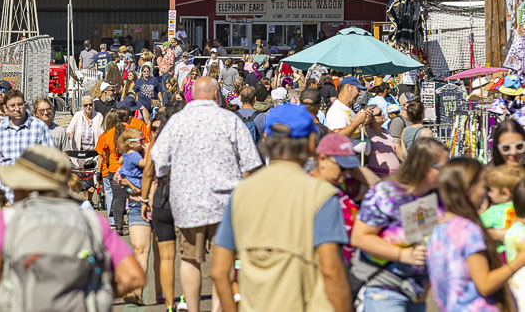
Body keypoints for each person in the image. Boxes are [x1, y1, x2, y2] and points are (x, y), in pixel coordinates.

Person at [211, 105, 351, 312]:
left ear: (266, 137)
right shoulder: (321, 194)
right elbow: (331, 270)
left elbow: (219, 272)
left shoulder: (241, 193)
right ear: (312, 143)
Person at [0, 146, 146, 309]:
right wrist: (94, 292)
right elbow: (134, 276)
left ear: (26, 187)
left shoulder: (8, 219)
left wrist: (10, 291)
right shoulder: (90, 221)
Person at [152, 77, 262, 312]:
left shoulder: (177, 122)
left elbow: (159, 161)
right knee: (223, 261)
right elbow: (251, 163)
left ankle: (193, 309)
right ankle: (217, 308)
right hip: (225, 203)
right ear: (216, 95)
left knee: (190, 259)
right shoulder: (229, 120)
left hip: (187, 203)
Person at [351, 137, 449, 312]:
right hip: (384, 288)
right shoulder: (386, 194)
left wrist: (426, 287)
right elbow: (360, 237)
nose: (447, 173)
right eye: (442, 168)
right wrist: (402, 254)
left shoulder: (438, 198)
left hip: (417, 292)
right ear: (424, 167)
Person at [427, 157, 525, 311]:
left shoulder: (440, 228)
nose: (486, 192)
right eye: (483, 186)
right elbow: (485, 284)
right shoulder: (468, 229)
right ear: (468, 188)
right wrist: (519, 261)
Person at [310, 133, 378, 263]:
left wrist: (352, 167)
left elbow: (375, 184)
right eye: (342, 167)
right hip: (327, 265)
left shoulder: (343, 183)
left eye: (349, 168)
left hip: (350, 263)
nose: (345, 173)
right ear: (322, 159)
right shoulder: (310, 187)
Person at [140, 107, 183, 310]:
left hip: (161, 199)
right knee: (188, 255)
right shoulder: (185, 143)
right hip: (184, 199)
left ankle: (168, 302)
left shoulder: (156, 146)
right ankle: (185, 298)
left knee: (166, 256)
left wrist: (143, 200)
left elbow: (148, 174)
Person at [0, 89, 56, 205]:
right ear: (6, 109)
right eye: (12, 106)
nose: (17, 109)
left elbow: (52, 158)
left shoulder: (39, 127)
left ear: (25, 105)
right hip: (5, 195)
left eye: (20, 104)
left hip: (32, 195)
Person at [114, 127, 151, 305]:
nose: (143, 141)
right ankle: (139, 291)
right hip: (138, 197)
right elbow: (146, 165)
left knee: (142, 250)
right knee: (141, 249)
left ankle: (145, 291)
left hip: (134, 194)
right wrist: (149, 150)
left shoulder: (126, 155)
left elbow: (121, 162)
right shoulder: (137, 156)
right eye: (140, 139)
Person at [481, 164, 525, 257]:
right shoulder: (521, 208)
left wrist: (480, 211)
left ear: (506, 193)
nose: (488, 194)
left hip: (502, 256)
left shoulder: (494, 212)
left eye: (491, 190)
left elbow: (476, 224)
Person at [324, 76, 371, 142]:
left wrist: (366, 123)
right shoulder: (337, 110)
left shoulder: (345, 109)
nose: (359, 94)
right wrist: (357, 121)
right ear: (348, 87)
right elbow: (337, 137)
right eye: (358, 89)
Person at [364, 103, 404, 178]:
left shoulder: (386, 131)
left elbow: (397, 150)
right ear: (371, 119)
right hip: (377, 177)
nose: (383, 114)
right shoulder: (367, 132)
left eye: (382, 111)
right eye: (379, 114)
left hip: (394, 176)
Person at [65, 95, 104, 167]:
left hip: (94, 154)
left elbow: (102, 132)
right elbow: (70, 128)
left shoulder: (98, 116)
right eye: (85, 105)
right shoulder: (77, 115)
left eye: (90, 104)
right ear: (82, 107)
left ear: (93, 105)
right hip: (79, 153)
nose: (88, 107)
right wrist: (69, 134)